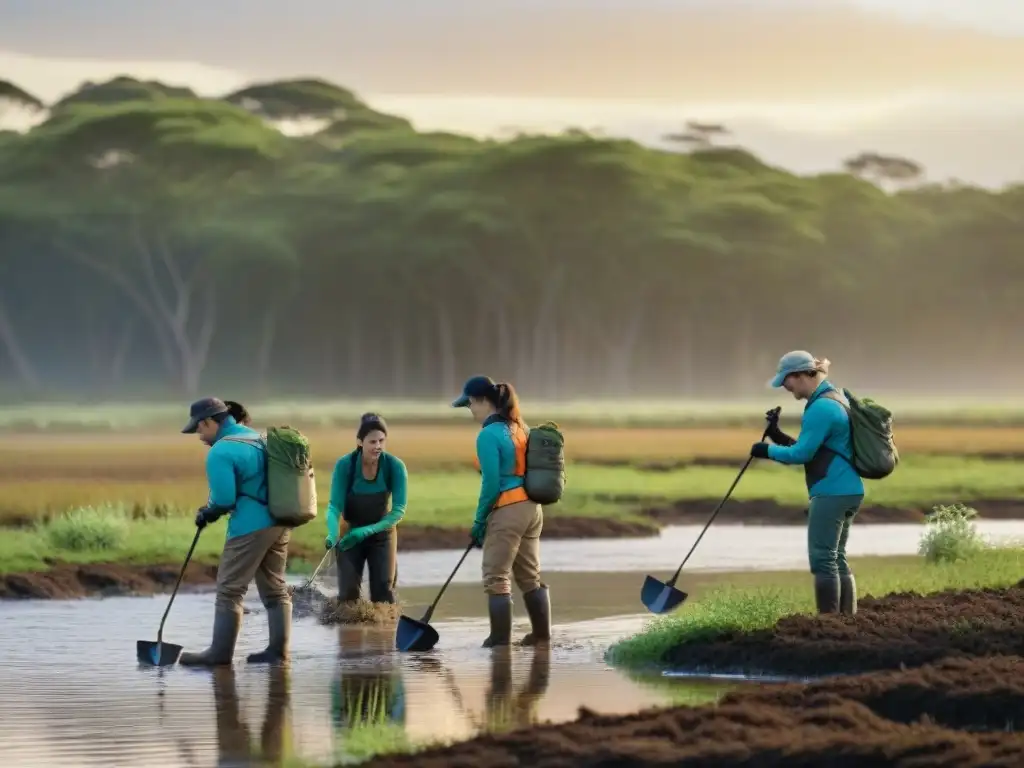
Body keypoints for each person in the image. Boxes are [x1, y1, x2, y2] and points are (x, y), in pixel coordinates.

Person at [178, 397, 293, 666]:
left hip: (249, 527)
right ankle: (278, 652)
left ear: (209, 422)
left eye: (198, 428)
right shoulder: (259, 439)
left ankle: (219, 655)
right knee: (275, 589)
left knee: (230, 590)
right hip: (280, 521)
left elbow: (224, 500)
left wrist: (207, 513)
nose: (198, 435)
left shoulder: (221, 451)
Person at [750, 351, 864, 615]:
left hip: (831, 492)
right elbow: (815, 449)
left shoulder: (820, 408)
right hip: (848, 490)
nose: (785, 388)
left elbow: (802, 455)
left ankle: (829, 623)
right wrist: (777, 436)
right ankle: (848, 621)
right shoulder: (834, 398)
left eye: (786, 381)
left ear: (801, 375)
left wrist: (765, 451)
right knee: (836, 558)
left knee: (823, 560)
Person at [452, 375, 550, 647]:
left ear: (482, 401)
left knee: (496, 577)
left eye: (470, 404)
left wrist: (479, 520)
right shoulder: (521, 427)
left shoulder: (487, 435)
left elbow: (491, 483)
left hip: (508, 510)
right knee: (530, 576)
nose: (470, 410)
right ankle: (542, 637)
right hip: (533, 509)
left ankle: (499, 644)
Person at [325, 413, 409, 605]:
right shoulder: (345, 465)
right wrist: (332, 532)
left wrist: (368, 531)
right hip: (349, 534)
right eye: (372, 442)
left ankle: (385, 633)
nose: (378, 446)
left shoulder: (394, 466)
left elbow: (398, 511)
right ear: (360, 442)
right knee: (348, 595)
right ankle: (350, 633)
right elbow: (334, 506)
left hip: (382, 535)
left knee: (383, 592)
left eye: (381, 441)